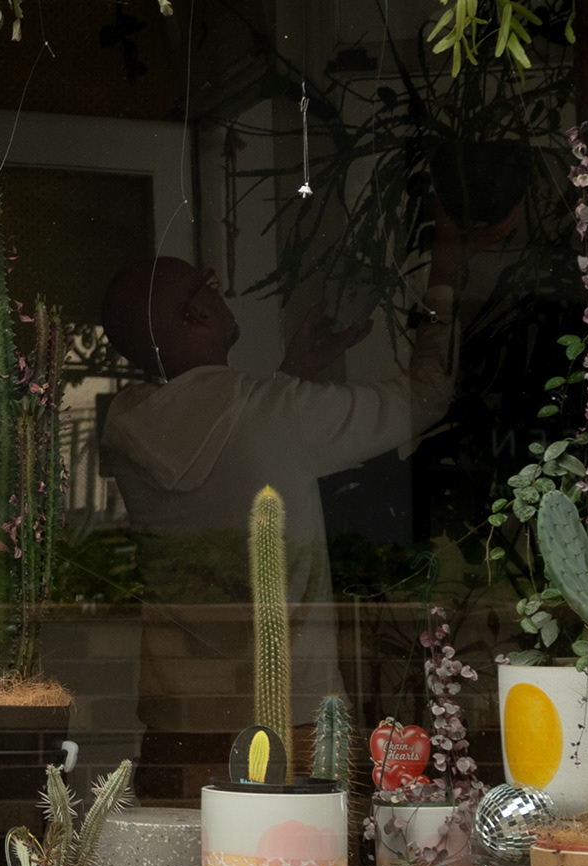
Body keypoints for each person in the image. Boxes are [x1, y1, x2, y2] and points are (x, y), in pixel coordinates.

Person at [96, 221, 495, 719]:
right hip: (292, 714)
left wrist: (292, 375)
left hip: (178, 713)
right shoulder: (282, 413)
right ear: (195, 312)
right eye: (211, 286)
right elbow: (427, 396)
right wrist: (444, 273)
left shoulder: (127, 425)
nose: (221, 294)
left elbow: (227, 433)